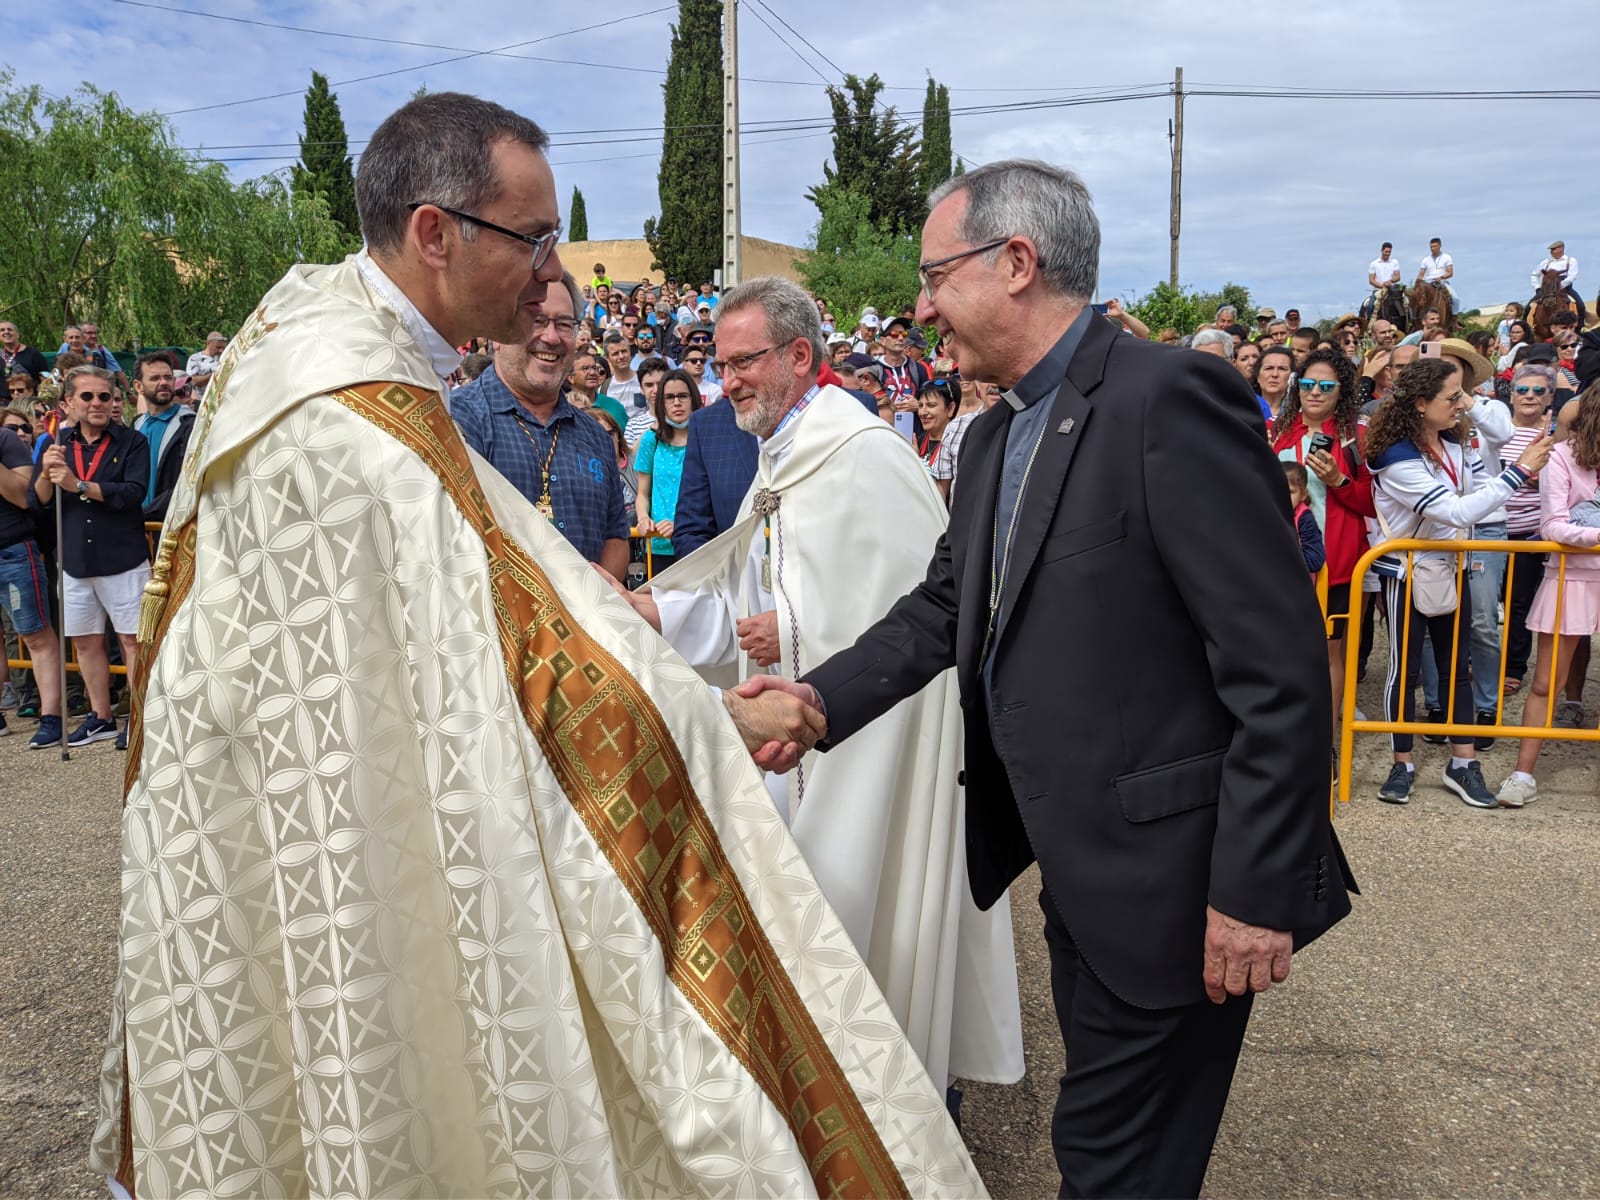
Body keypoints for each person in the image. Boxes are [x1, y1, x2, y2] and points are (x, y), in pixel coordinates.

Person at [90, 93, 979, 1198]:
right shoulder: (353, 419)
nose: (552, 271)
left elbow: (509, 605)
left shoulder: (308, 340)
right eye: (533, 236)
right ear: (433, 232)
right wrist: (710, 718)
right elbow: (527, 648)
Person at [739, 159, 1353, 1198]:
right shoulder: (988, 438)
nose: (921, 307)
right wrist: (816, 701)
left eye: (935, 276)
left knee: (1113, 1164)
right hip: (1082, 876)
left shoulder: (1169, 397)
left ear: (1015, 262)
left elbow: (1279, 669)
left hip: (1180, 883)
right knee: (1123, 1157)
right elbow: (944, 609)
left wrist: (1251, 895)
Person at [604, 273, 1024, 1108]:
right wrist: (656, 610)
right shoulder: (786, 454)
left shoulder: (862, 455)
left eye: (744, 362)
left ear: (800, 354)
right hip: (794, 747)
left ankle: (896, 1114)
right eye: (720, 365)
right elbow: (756, 594)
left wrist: (785, 633)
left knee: (864, 945)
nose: (728, 384)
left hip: (865, 752)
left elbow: (915, 624)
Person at [1365, 358, 1552, 807]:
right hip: (1407, 571)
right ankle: (1402, 762)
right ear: (1421, 403)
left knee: (1458, 668)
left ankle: (1463, 763)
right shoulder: (1393, 455)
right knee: (1403, 671)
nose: (1460, 405)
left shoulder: (1455, 443)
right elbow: (1456, 510)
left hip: (1453, 566)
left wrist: (1502, 466)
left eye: (1461, 396)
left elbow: (1482, 489)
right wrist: (1520, 471)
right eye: (1452, 397)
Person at [451, 272, 630, 579]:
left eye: (564, 324)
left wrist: (591, 603)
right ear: (496, 332)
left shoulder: (595, 436)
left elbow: (615, 535)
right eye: (535, 319)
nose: (550, 337)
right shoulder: (458, 420)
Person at [29, 364, 150, 751]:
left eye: (106, 396)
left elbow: (133, 493)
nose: (98, 403)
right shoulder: (56, 443)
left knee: (132, 641)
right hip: (76, 560)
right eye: (88, 396)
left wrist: (78, 485)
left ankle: (140, 718)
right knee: (85, 642)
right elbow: (38, 503)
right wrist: (47, 476)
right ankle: (101, 717)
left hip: (123, 559)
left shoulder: (131, 442)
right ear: (68, 402)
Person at [1497, 382, 1600, 807]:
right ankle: (1523, 775)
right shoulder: (1562, 455)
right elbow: (1552, 525)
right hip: (1572, 577)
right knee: (1545, 683)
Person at [1273, 348, 1375, 744]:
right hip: (1281, 563)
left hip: (1338, 564)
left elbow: (1373, 503)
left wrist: (1339, 481)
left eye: (1326, 386)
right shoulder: (1276, 432)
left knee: (1331, 655)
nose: (1315, 392)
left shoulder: (1356, 438)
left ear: (1341, 390)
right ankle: (1283, 736)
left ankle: (1323, 742)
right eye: (1308, 384)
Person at [1496, 362, 1562, 697]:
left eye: (1539, 390)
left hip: (1528, 535)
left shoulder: (1555, 437)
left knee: (1519, 604)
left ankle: (1513, 667)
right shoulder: (1495, 432)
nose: (1530, 396)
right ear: (1511, 395)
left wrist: (1542, 483)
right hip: (1490, 531)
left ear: (1551, 397)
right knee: (1482, 605)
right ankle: (1480, 661)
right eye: (1523, 390)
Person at [0, 414, 64, 748]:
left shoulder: (6, 440)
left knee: (36, 635)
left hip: (11, 549)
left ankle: (51, 715)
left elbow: (20, 496)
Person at [632, 367, 702, 573]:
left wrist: (681, 525)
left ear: (693, 398)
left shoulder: (705, 438)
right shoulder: (650, 440)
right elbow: (643, 494)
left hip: (698, 542)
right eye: (669, 397)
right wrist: (643, 518)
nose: (677, 403)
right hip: (659, 546)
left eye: (682, 396)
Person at [131, 353, 196, 524]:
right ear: (139, 386)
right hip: (135, 526)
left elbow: (188, 481)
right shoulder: (137, 425)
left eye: (168, 377)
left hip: (170, 524)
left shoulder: (190, 425)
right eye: (155, 378)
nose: (164, 383)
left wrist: (148, 513)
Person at [1283, 462, 1326, 575]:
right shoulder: (1267, 512)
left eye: (1291, 492)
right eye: (1277, 490)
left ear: (1303, 494)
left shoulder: (1304, 519)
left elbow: (1314, 560)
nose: (1283, 496)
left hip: (1296, 584)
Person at [1533, 239, 1584, 326]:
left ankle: (1579, 326)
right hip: (1547, 290)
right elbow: (1534, 275)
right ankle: (1528, 326)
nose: (1551, 252)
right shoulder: (1545, 263)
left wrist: (1560, 285)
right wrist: (1537, 287)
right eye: (1551, 250)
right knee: (1529, 307)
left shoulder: (1571, 260)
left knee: (1580, 305)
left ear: (1561, 248)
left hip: (1565, 288)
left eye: (1554, 249)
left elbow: (1572, 276)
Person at [1253, 343, 1295, 427]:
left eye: (1282, 369)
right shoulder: (1244, 408)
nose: (1275, 374)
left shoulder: (1300, 413)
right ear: (1258, 376)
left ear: (1292, 376)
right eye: (1269, 368)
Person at [185, 331, 228, 399]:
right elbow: (192, 381)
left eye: (223, 348)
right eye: (218, 347)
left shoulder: (224, 358)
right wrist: (214, 374)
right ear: (208, 343)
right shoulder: (195, 358)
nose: (221, 351)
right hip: (202, 400)